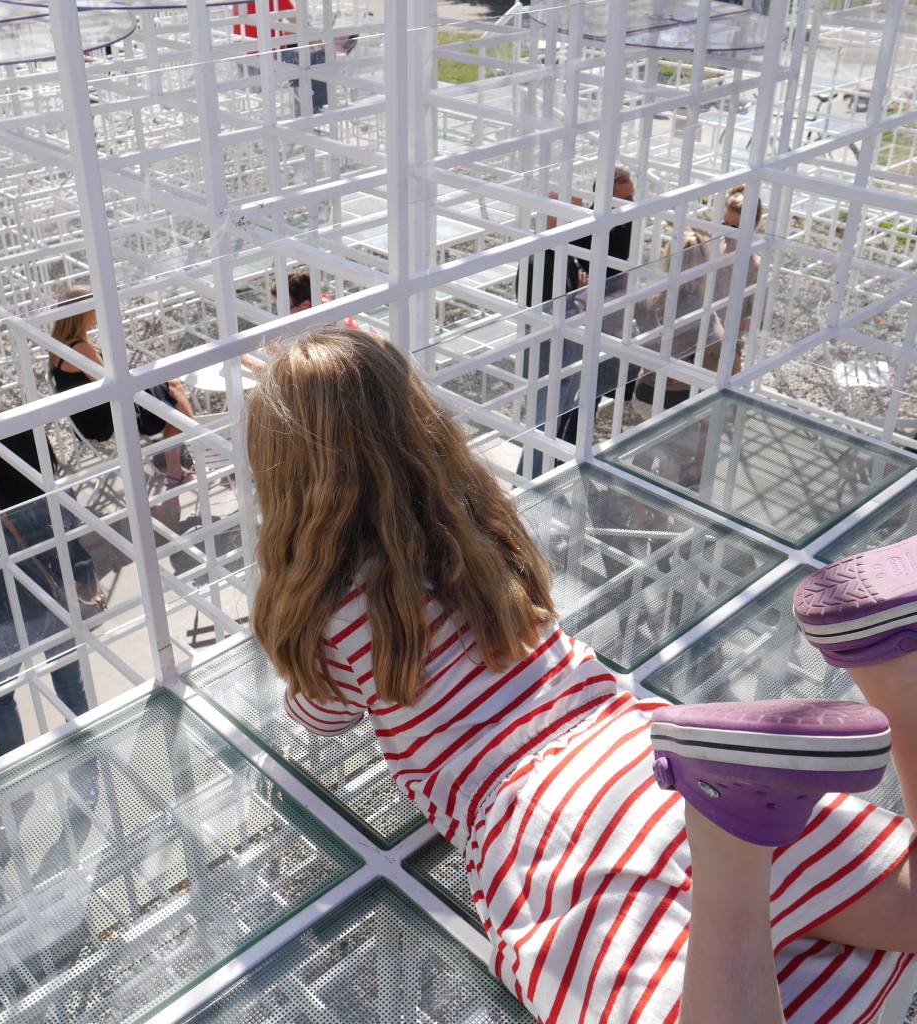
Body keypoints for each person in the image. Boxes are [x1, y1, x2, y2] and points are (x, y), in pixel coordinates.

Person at [246, 327, 916, 1024]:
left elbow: (322, 713)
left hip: (535, 816)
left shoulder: (325, 609)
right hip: (640, 747)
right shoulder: (480, 527)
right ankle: (897, 675)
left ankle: (729, 852)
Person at [0, 430, 95, 759]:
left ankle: (13, 765)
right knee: (69, 684)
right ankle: (86, 751)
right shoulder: (61, 495)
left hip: (7, 618)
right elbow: (79, 556)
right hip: (56, 608)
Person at [517, 167, 638, 477]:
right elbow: (546, 312)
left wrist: (585, 297)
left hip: (590, 333)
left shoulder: (619, 229)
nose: (628, 205)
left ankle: (557, 464)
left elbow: (618, 280)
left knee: (582, 400)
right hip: (558, 348)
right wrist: (582, 297)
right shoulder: (548, 254)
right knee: (549, 415)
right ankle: (532, 477)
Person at [48, 286, 195, 485]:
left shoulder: (62, 344)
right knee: (176, 397)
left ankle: (178, 454)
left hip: (89, 415)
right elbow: (113, 381)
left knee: (172, 388)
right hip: (105, 418)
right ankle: (181, 461)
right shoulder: (79, 348)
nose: (99, 311)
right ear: (83, 314)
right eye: (95, 307)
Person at [631, 226, 726, 420]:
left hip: (646, 392)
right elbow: (717, 348)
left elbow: (637, 340)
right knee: (694, 447)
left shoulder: (648, 299)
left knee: (644, 449)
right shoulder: (702, 308)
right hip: (685, 396)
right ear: (704, 265)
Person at [713, 184, 764, 372]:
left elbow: (759, 312)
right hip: (702, 326)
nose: (727, 231)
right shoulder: (716, 245)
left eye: (735, 227)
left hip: (730, 336)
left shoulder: (755, 264)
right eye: (724, 224)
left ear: (754, 225)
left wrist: (739, 326)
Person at [270, 270, 361, 329]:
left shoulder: (325, 325)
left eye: (284, 309)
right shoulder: (318, 301)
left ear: (305, 304)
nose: (279, 313)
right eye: (275, 306)